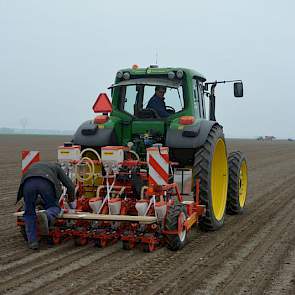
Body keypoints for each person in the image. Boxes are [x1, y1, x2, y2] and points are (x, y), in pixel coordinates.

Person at [17, 162, 75, 250]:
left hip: (27, 183)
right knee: (55, 207)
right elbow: (70, 186)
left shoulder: (36, 165)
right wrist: (71, 199)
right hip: (45, 182)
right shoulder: (57, 168)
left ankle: (33, 242)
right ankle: (46, 215)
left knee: (29, 213)